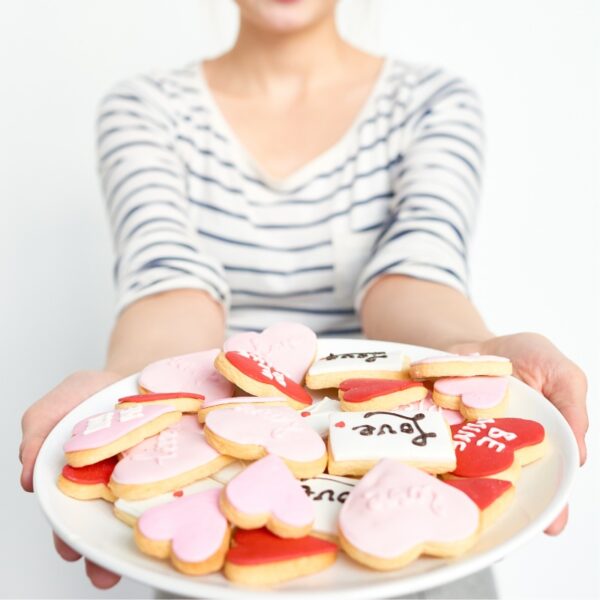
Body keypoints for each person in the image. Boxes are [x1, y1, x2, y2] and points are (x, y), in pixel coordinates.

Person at [19, 0, 588, 595]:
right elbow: (168, 283)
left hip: (417, 514)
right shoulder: (144, 109)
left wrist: (470, 355)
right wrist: (127, 391)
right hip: (225, 524)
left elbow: (415, 274)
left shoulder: (433, 100)